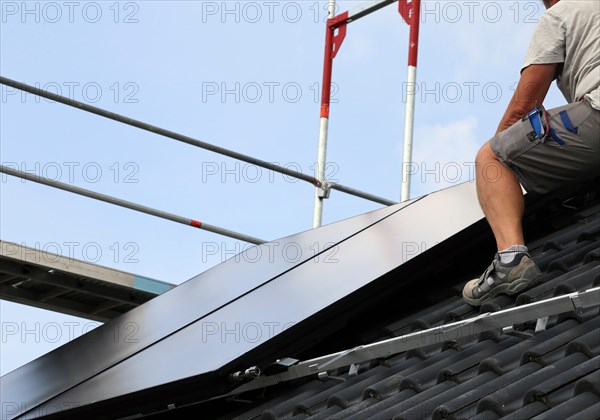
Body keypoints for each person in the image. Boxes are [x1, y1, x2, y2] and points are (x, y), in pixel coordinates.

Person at [462, 0, 600, 306]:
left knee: (491, 156)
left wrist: (499, 165)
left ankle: (510, 261)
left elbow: (524, 105)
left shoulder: (559, 15)